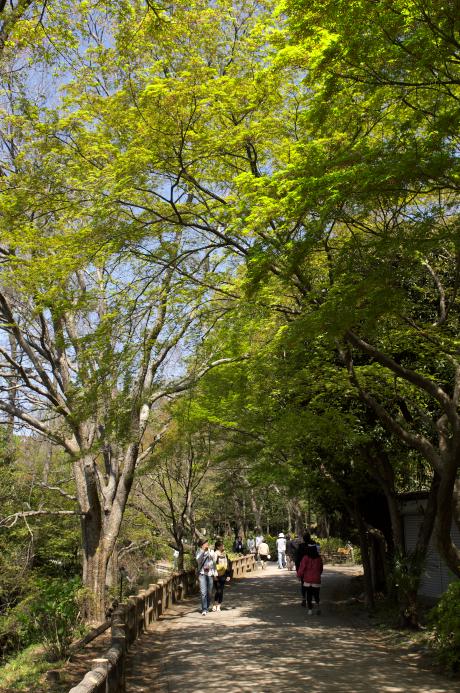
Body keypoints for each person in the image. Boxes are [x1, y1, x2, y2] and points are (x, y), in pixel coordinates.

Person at [297, 543, 323, 614]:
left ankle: (310, 610)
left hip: (307, 580)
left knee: (309, 595)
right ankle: (318, 607)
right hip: (316, 580)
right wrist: (317, 575)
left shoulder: (305, 557)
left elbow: (302, 568)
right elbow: (321, 569)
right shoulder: (319, 558)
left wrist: (299, 576)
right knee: (316, 594)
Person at [196, 538, 216, 615]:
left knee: (209, 592)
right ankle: (204, 609)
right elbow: (198, 560)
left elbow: (214, 559)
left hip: (210, 573)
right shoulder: (199, 551)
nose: (207, 544)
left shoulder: (210, 551)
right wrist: (203, 552)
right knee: (203, 592)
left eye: (207, 543)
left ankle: (207, 606)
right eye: (205, 543)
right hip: (202, 573)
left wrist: (209, 551)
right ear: (202, 545)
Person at [211, 540, 230, 611]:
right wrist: (214, 575)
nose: (223, 546)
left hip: (223, 574)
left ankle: (219, 605)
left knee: (221, 590)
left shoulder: (225, 554)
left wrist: (228, 575)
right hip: (217, 574)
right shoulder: (215, 554)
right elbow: (213, 565)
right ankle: (215, 603)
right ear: (218, 547)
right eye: (222, 545)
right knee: (218, 590)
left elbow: (227, 565)